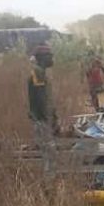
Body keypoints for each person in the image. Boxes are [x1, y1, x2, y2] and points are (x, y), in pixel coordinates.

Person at [28, 44, 58, 174]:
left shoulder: (40, 72)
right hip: (41, 120)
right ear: (42, 58)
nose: (52, 58)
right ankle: (48, 184)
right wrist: (48, 119)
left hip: (43, 119)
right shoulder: (38, 72)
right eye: (49, 55)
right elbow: (40, 98)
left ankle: (48, 182)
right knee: (49, 153)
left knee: (48, 153)